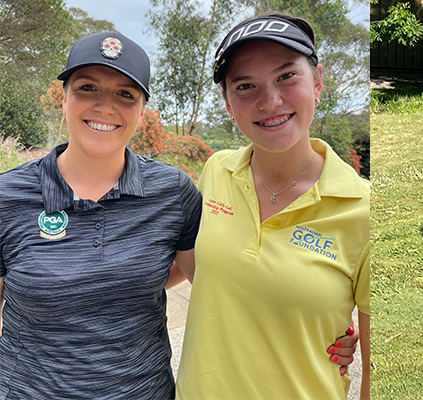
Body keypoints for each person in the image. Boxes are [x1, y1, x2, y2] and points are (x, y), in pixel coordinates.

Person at [0, 31, 356, 399]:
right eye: (87, 88)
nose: (105, 107)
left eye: (125, 94)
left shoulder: (171, 192)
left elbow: (216, 278)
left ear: (142, 110)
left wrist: (320, 323)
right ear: (64, 99)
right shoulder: (8, 196)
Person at [174, 13, 370, 400]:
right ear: (229, 105)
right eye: (245, 86)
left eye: (286, 77)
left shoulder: (363, 209)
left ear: (317, 83)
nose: (270, 101)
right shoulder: (217, 171)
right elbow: (207, 273)